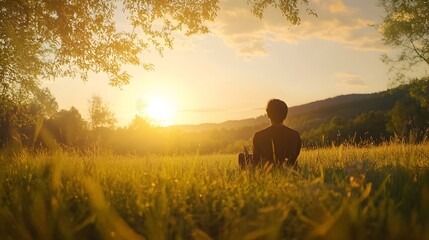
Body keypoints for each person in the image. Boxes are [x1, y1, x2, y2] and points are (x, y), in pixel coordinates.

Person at [250, 99, 301, 168]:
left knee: (242, 156)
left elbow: (256, 162)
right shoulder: (295, 135)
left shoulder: (258, 136)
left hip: (266, 171)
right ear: (285, 115)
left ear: (268, 115)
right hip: (289, 171)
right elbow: (294, 158)